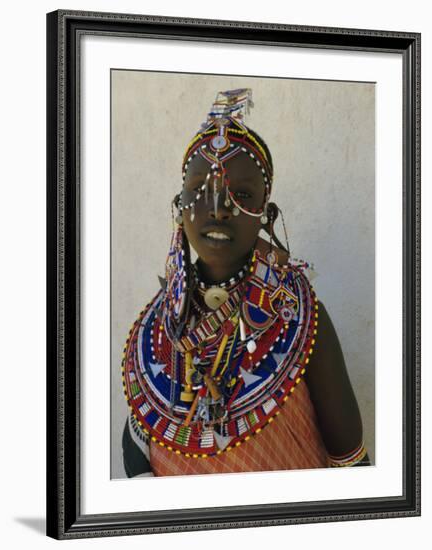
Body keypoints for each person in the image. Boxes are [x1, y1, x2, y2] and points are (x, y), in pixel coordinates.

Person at [121, 88, 370, 477]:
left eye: (240, 194)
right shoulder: (157, 331)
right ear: (178, 206)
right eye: (200, 189)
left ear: (265, 215)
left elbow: (351, 462)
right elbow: (139, 445)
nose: (218, 208)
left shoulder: (300, 319)